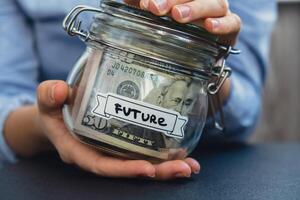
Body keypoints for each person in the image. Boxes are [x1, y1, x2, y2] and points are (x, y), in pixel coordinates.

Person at [0, 0, 277, 180]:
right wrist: (48, 121)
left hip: (203, 175)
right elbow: (5, 100)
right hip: (51, 176)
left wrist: (209, 59)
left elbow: (244, 116)